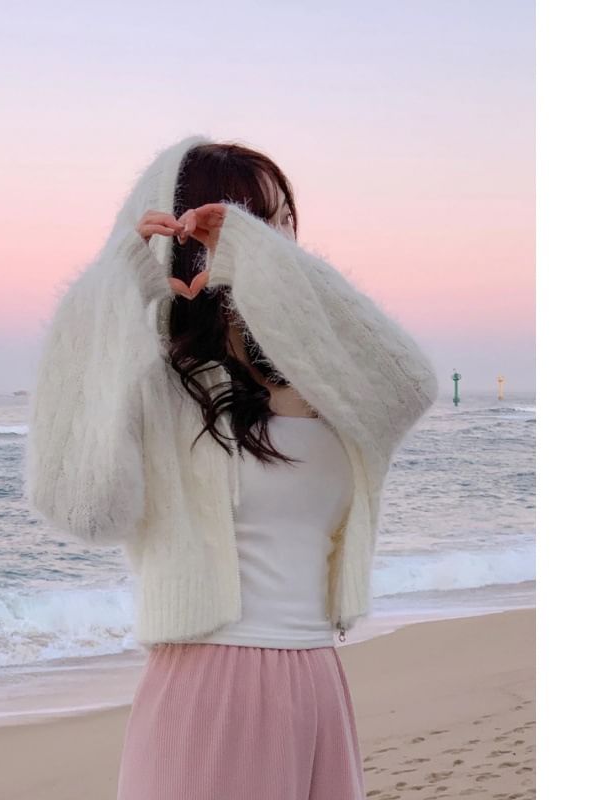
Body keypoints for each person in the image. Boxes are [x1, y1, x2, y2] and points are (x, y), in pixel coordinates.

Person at [25, 135, 439, 800]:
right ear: (188, 234)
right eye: (245, 218)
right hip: (208, 690)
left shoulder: (327, 379)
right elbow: (83, 508)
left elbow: (410, 385)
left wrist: (265, 261)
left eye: (281, 222)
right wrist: (112, 292)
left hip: (317, 682)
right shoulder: (164, 379)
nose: (271, 239)